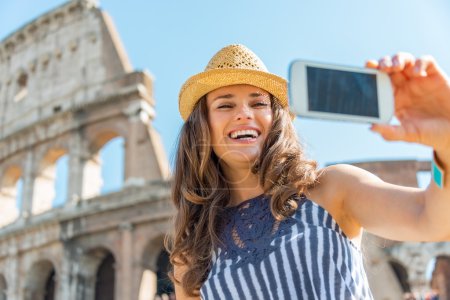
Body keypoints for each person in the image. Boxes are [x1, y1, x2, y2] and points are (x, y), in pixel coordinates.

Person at [166, 44, 450, 299]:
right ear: (202, 126)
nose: (244, 113)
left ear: (275, 120)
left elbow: (432, 218)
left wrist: (445, 142)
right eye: (225, 105)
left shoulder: (334, 188)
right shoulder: (192, 255)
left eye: (258, 103)